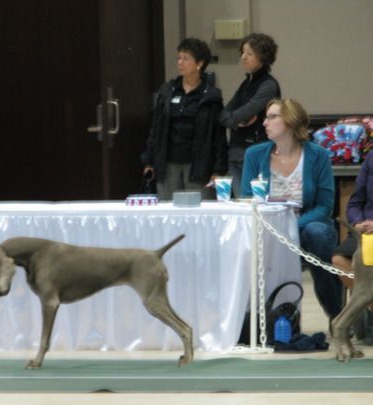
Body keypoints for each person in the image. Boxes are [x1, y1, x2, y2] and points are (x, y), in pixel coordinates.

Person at [241, 98, 343, 322]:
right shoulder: (254, 154)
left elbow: (324, 207)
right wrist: (276, 228)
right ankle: (255, 319)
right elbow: (247, 199)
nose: (264, 123)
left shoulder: (318, 156)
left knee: (318, 234)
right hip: (266, 226)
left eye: (272, 117)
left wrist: (291, 227)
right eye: (266, 117)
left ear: (290, 121)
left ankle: (337, 315)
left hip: (306, 225)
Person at [141, 38, 227, 201]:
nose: (180, 62)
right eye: (178, 58)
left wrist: (218, 169)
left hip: (198, 164)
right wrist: (149, 160)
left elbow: (218, 135)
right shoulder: (167, 91)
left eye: (186, 58)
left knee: (197, 209)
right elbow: (156, 128)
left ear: (199, 63)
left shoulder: (211, 96)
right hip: (168, 162)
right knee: (168, 208)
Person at [220, 33, 280, 198]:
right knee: (240, 202)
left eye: (249, 53)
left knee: (253, 202)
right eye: (242, 53)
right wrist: (235, 121)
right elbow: (224, 115)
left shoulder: (268, 85)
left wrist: (234, 119)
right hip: (236, 150)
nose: (243, 57)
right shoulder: (246, 83)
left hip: (257, 150)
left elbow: (245, 112)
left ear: (262, 57)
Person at [332, 152, 373, 290]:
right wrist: (357, 222)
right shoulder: (371, 157)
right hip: (365, 232)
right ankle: (366, 300)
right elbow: (355, 203)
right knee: (340, 259)